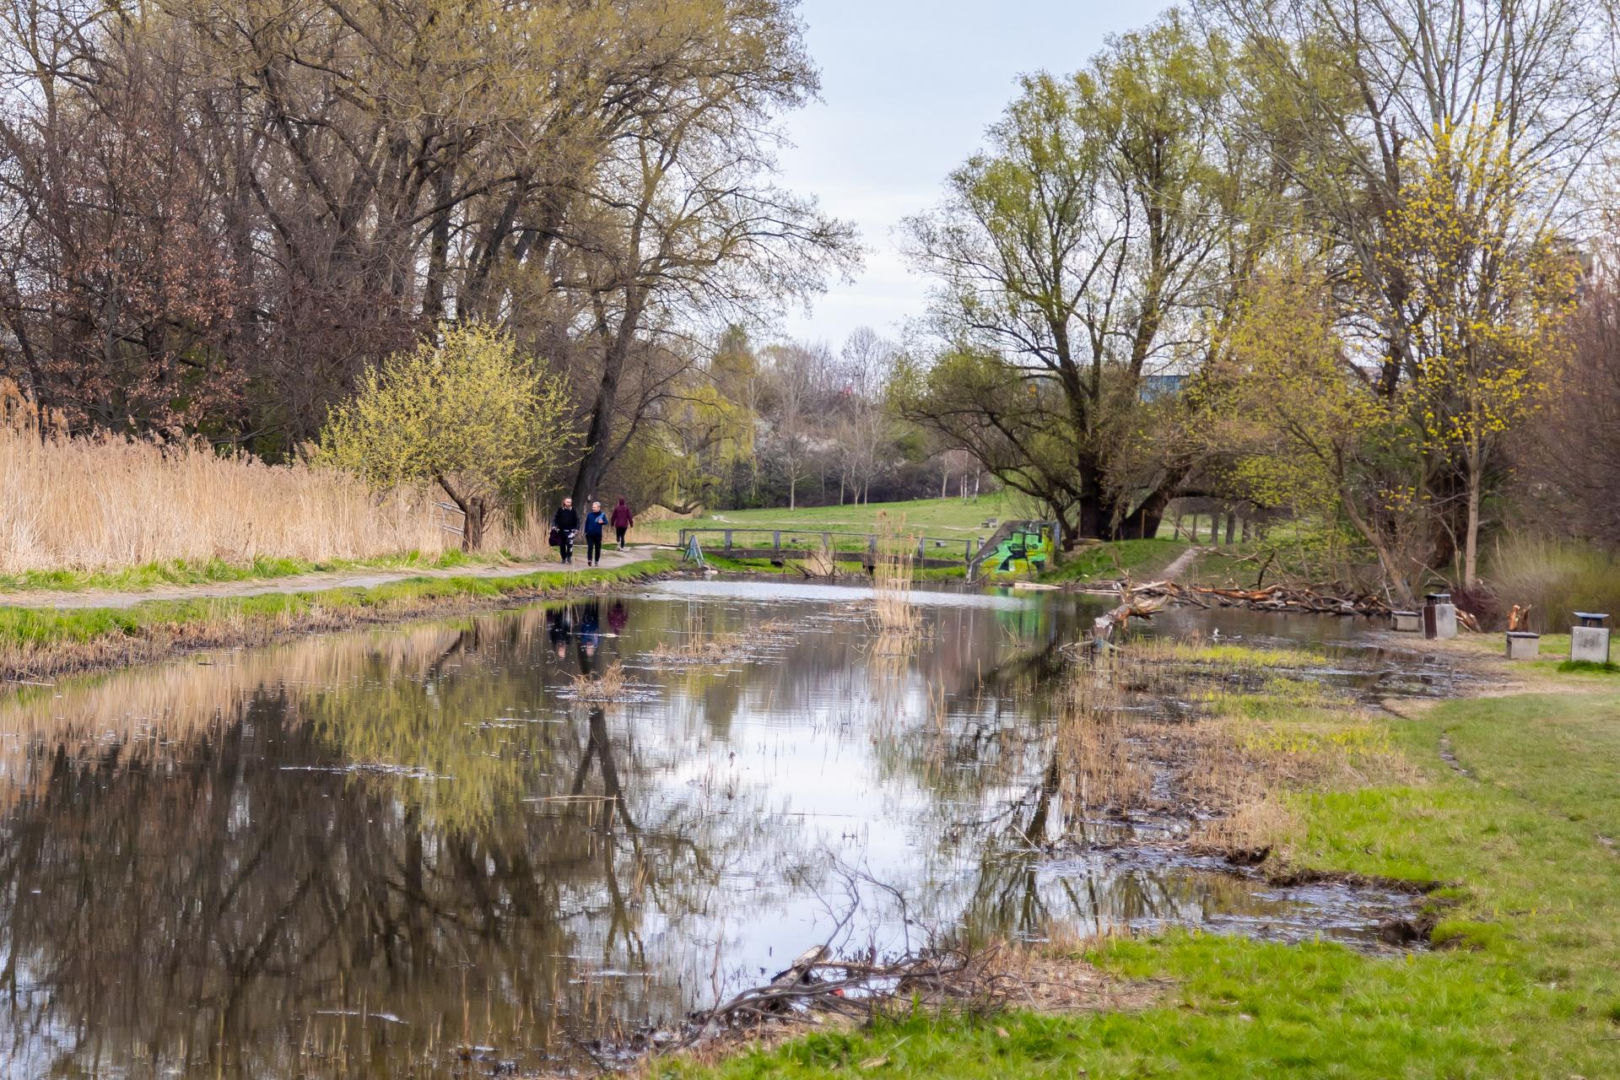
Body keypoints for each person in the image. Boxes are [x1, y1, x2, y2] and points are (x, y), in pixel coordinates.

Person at [551, 497, 579, 564]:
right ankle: (563, 558)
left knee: (570, 545)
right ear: (564, 502)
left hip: (570, 531)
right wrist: (554, 526)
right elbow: (555, 519)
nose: (569, 503)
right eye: (567, 502)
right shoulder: (560, 510)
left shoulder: (573, 510)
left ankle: (569, 557)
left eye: (570, 502)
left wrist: (577, 529)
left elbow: (577, 520)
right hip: (561, 531)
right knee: (562, 545)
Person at [582, 500, 609, 566]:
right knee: (590, 547)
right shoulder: (589, 515)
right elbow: (586, 523)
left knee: (597, 548)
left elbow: (606, 522)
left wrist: (602, 522)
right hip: (589, 534)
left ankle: (596, 561)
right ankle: (589, 560)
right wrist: (585, 532)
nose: (593, 508)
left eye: (595, 507)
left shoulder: (602, 515)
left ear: (599, 508)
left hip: (598, 534)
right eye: (593, 507)